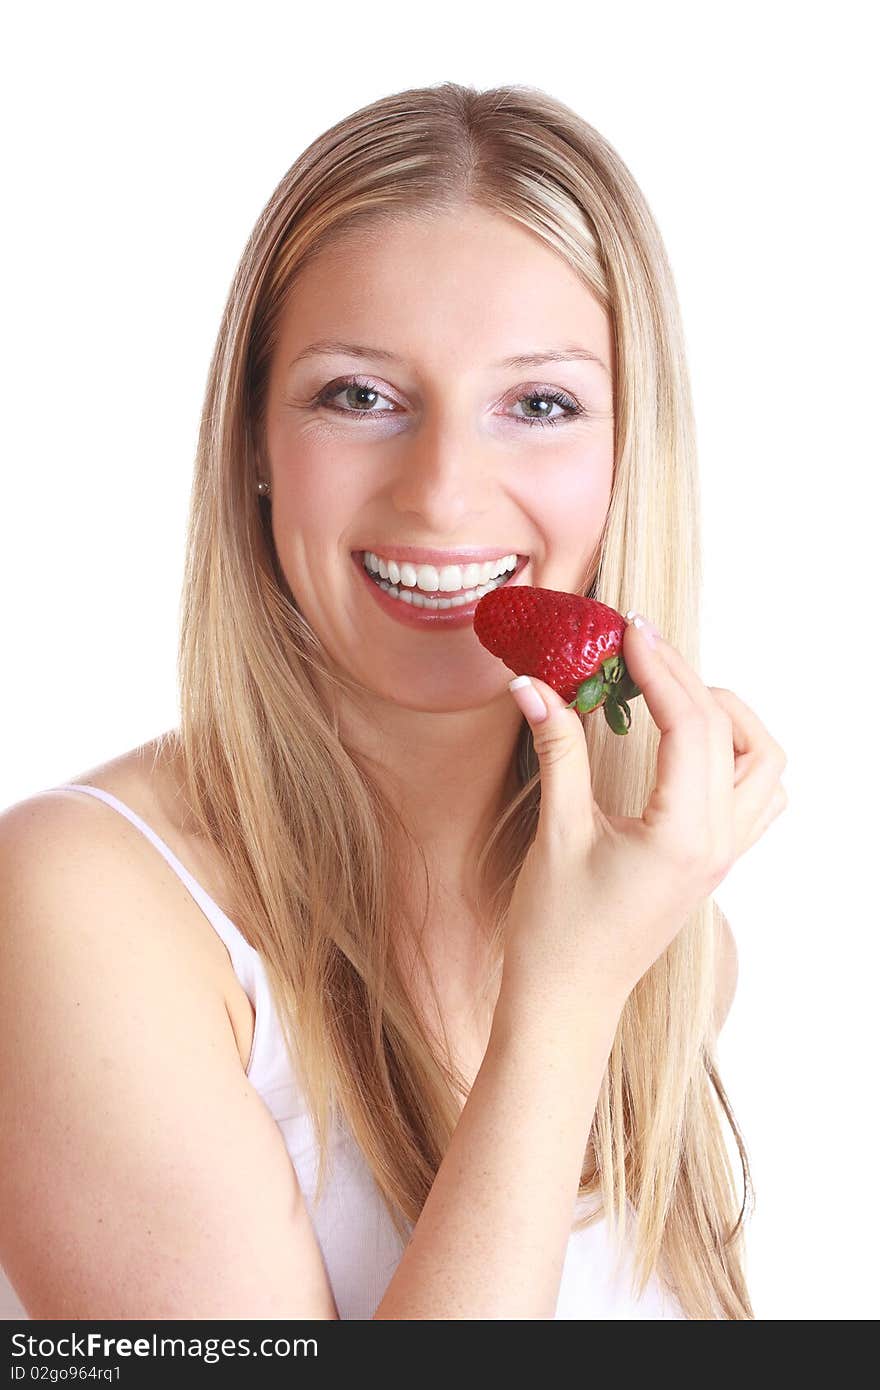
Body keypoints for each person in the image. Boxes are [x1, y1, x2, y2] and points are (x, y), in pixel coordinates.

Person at [0, 81, 787, 1322]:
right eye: (359, 395)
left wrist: (602, 966)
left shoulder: (666, 943)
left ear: (632, 452)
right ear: (253, 442)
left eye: (538, 405)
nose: (442, 495)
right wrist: (565, 998)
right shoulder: (80, 904)